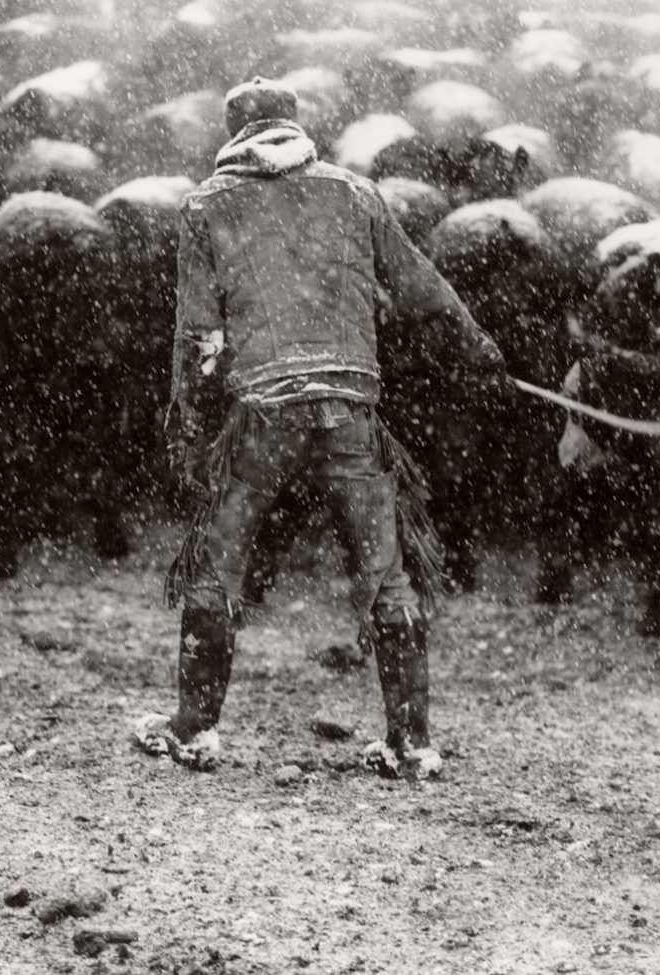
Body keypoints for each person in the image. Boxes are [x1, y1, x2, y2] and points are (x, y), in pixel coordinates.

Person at [134, 77, 506, 779]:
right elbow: (423, 286)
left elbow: (200, 336)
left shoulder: (207, 205)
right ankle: (410, 739)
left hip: (262, 415)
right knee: (386, 570)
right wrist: (479, 347)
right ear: (295, 126)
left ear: (233, 131)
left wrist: (188, 421)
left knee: (219, 561)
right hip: (352, 412)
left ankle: (194, 725)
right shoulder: (356, 194)